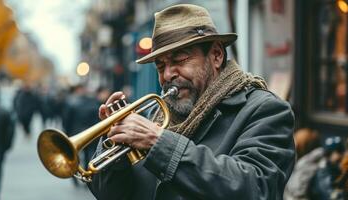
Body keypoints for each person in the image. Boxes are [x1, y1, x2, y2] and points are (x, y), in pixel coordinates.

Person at [87, 4, 295, 200]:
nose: (168, 74)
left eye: (179, 60)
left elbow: (256, 188)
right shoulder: (156, 117)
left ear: (216, 55)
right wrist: (112, 146)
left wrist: (159, 143)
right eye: (160, 66)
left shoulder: (266, 110)